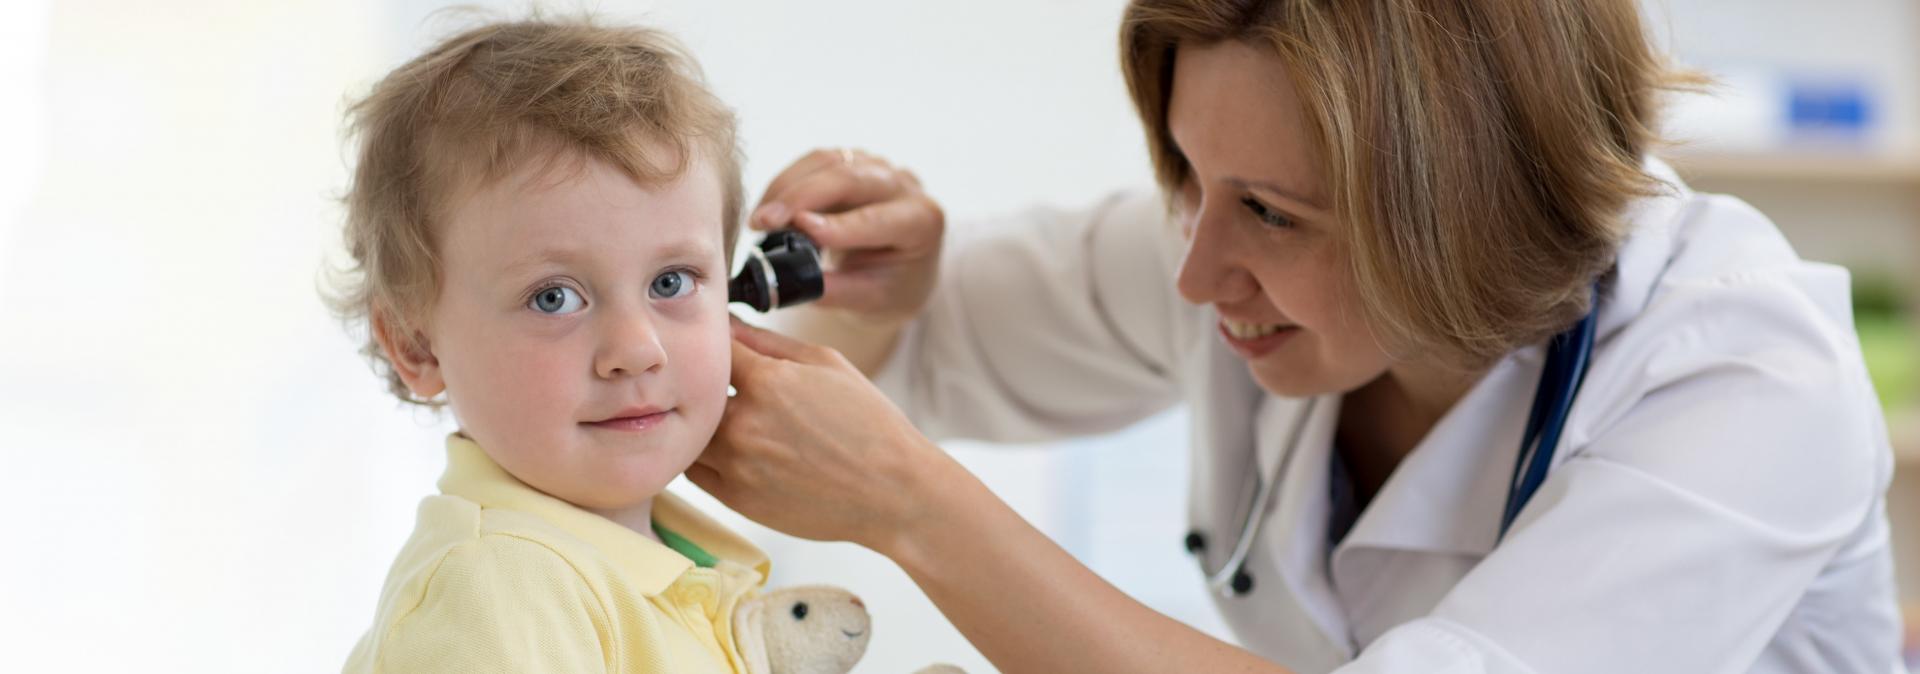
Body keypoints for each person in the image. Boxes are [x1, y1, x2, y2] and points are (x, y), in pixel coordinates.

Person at [690, 0, 1906, 672]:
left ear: (1465, 209)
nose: (1198, 268)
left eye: (1272, 212)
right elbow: (932, 344)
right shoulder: (1217, 239)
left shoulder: (1744, 376)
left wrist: (916, 508)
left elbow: (893, 460)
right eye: (1193, 176)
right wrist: (880, 285)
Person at [330, 18, 773, 672]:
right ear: (417, 347)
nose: (635, 349)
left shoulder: (646, 561)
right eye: (554, 297)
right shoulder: (501, 589)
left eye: (671, 282)